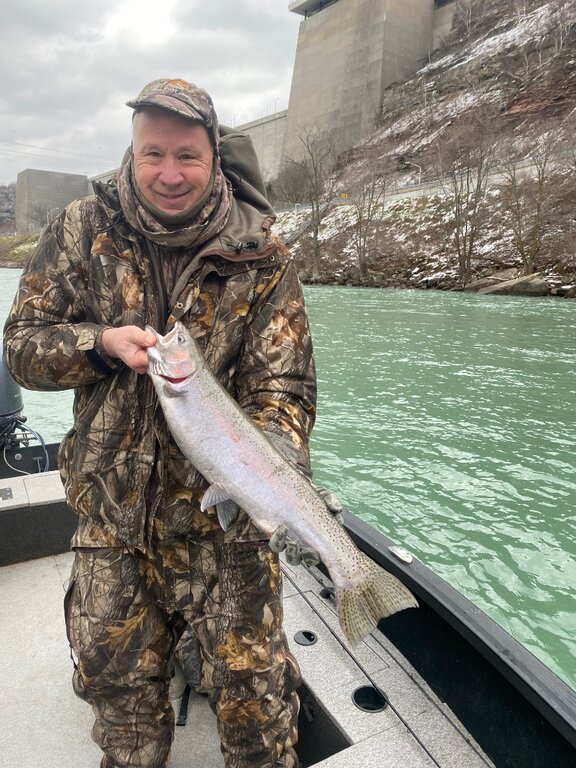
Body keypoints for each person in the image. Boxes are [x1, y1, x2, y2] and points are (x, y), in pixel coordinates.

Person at [3, 78, 341, 768]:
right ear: (130, 153)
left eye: (187, 155)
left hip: (229, 528)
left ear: (216, 157)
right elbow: (21, 346)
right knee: (118, 698)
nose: (170, 173)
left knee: (259, 714)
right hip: (113, 518)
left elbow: (286, 387)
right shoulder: (78, 231)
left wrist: (269, 465)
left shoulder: (263, 255)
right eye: (152, 153)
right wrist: (97, 345)